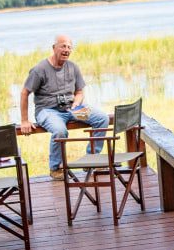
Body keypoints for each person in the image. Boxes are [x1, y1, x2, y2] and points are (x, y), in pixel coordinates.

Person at [19, 34, 110, 180]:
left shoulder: (73, 67)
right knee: (60, 130)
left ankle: (91, 160)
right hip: (48, 111)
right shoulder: (39, 69)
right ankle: (56, 168)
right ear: (54, 48)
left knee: (102, 119)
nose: (66, 49)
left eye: (69, 47)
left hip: (72, 109)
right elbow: (24, 93)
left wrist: (77, 102)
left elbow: (79, 92)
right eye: (63, 46)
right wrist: (24, 120)